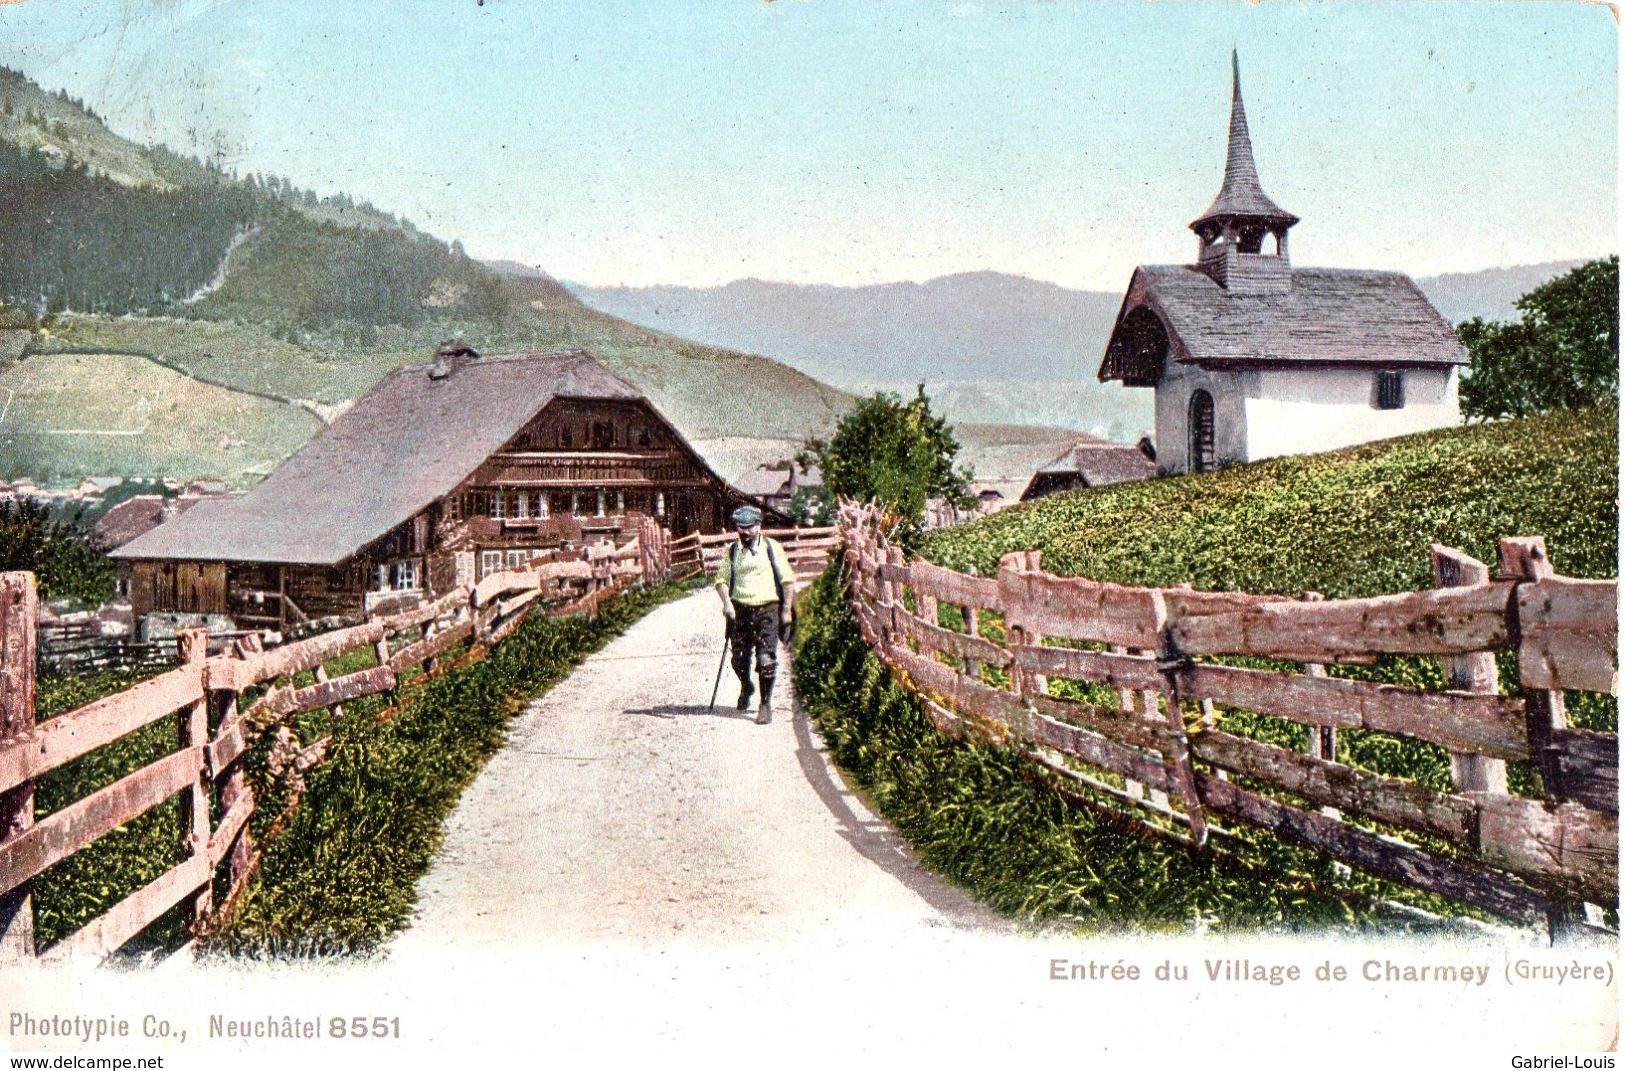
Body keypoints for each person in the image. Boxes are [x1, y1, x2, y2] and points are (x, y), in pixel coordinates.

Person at [713, 504, 794, 724]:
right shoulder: (732, 551)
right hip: (740, 611)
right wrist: (727, 604)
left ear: (759, 526)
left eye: (749, 527)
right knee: (738, 659)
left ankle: (765, 704)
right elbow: (720, 580)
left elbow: (787, 580)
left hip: (768, 608)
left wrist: (786, 611)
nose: (745, 532)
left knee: (766, 659)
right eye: (741, 527)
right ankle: (746, 686)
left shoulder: (772, 548)